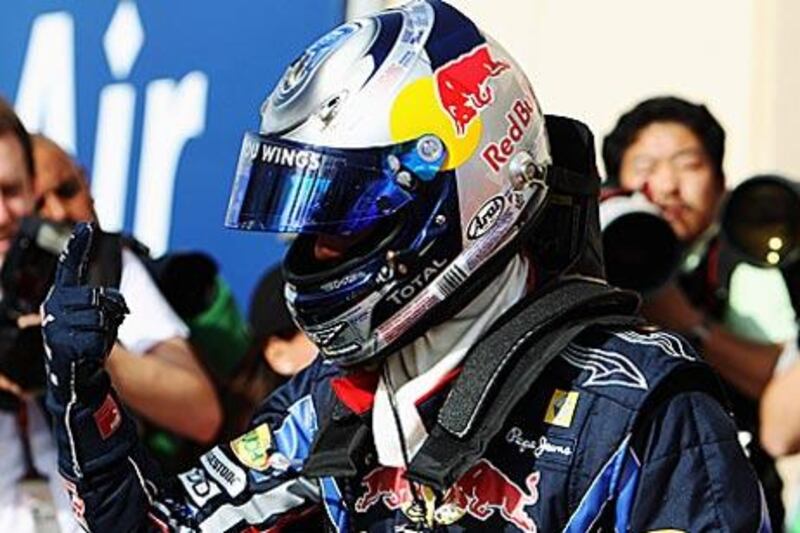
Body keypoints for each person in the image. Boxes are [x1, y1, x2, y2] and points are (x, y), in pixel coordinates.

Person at [41, 2, 768, 531]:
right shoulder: (332, 399)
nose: (319, 249)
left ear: (468, 194)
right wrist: (83, 399)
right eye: (311, 220)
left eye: (346, 217)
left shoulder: (637, 403)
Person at [0, 100, 221, 532]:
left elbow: (200, 411)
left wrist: (81, 351)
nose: (3, 216)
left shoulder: (91, 267)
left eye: (10, 191)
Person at [603, 95, 791, 528]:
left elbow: (781, 386)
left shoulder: (745, 262)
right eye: (647, 167)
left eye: (688, 165)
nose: (668, 185)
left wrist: (686, 322)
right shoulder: (597, 245)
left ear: (721, 182)